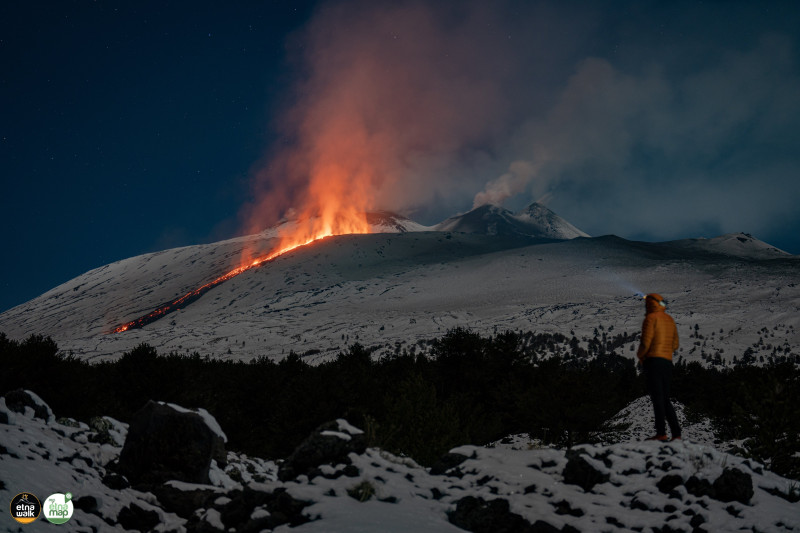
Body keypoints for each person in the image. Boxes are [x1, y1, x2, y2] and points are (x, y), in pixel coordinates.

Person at [637, 293, 681, 442]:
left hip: (653, 362)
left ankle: (661, 433)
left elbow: (645, 343)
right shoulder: (669, 319)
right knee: (666, 398)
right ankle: (676, 434)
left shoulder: (650, 318)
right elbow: (675, 344)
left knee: (657, 398)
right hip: (667, 362)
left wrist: (640, 356)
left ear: (650, 304)